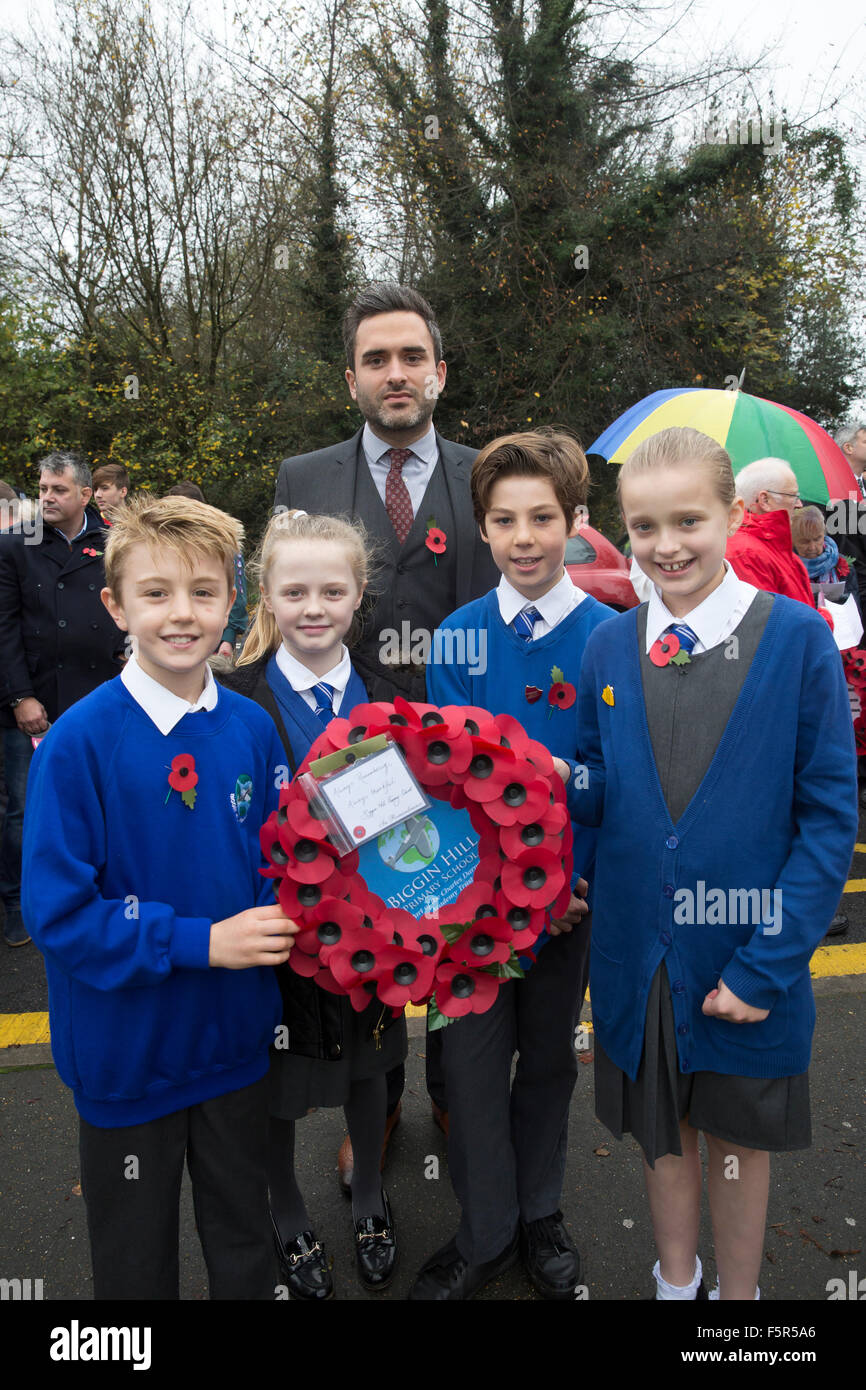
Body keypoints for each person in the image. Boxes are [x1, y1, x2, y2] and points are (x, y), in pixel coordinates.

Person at [568, 426, 857, 1300]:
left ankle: (738, 1307)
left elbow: (826, 821)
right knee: (663, 1135)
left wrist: (769, 966)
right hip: (639, 957)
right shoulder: (609, 648)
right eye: (644, 528)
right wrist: (539, 784)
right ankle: (674, 1283)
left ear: (733, 515)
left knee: (737, 1143)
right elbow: (600, 785)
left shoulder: (799, 640)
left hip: (745, 959)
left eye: (688, 521)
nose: (665, 546)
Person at [20, 494, 299, 1299]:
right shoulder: (76, 743)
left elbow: (281, 863)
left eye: (204, 593)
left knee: (245, 1246)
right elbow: (60, 914)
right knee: (135, 1268)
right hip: (128, 1062)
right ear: (114, 605)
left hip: (235, 1048)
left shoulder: (250, 727)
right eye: (156, 593)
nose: (182, 614)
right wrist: (202, 942)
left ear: (231, 601)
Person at [274, 283, 498, 1181]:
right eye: (376, 359)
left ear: (439, 373)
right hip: (350, 757)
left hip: (455, 763)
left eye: (411, 357)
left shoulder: (483, 474)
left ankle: (451, 1086)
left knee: (453, 923)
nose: (394, 374)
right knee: (370, 932)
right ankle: (383, 1094)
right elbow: (291, 599)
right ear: (351, 378)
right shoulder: (303, 477)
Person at [409, 429, 614, 1301]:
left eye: (542, 517)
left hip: (569, 904)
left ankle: (540, 1213)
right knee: (470, 1068)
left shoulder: (614, 636)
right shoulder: (456, 635)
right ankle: (484, 1229)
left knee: (551, 1062)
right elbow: (452, 782)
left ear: (574, 523)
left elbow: (620, 781)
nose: (524, 536)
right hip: (475, 912)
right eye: (504, 520)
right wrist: (485, 892)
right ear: (482, 530)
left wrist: (573, 883)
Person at [220, 509, 402, 1298]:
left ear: (360, 593)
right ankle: (286, 1213)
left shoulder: (395, 696)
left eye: (333, 589)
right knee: (278, 1085)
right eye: (294, 590)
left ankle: (369, 1197)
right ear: (265, 593)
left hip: (376, 934)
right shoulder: (234, 704)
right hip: (279, 938)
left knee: (372, 1071)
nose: (314, 607)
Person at [0, 452, 125, 950]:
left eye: (58, 490)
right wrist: (19, 696)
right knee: (25, 811)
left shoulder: (114, 540)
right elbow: (4, 626)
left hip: (101, 697)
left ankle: (98, 895)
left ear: (85, 496)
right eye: (42, 489)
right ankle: (18, 902)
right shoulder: (15, 545)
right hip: (35, 703)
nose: (47, 498)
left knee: (102, 802)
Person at [165, 482, 249, 660]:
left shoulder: (223, 544)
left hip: (215, 641)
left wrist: (228, 638)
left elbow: (237, 596)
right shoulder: (164, 547)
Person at [724, 457, 813, 604]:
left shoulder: (769, 545)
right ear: (764, 500)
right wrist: (824, 620)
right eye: (793, 496)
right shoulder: (746, 553)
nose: (799, 504)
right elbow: (767, 623)